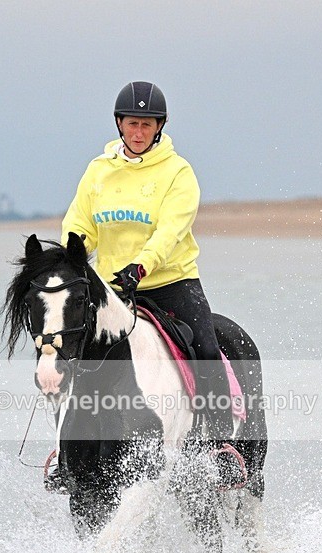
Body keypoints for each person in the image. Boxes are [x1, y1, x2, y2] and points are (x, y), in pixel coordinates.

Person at [61, 80, 234, 444]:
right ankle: (69, 453)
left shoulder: (178, 172)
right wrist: (70, 257)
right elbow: (80, 224)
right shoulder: (98, 171)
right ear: (119, 123)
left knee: (205, 348)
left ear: (159, 127)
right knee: (69, 350)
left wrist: (140, 267)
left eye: (147, 124)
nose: (138, 132)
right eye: (132, 123)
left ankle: (220, 445)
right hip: (112, 290)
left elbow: (170, 232)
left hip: (172, 283)